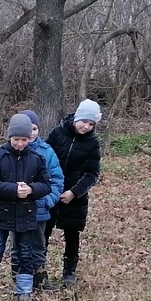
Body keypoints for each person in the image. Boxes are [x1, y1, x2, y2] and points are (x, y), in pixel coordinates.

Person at [0, 114, 53, 301]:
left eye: (24, 140)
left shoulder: (37, 158)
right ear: (9, 137)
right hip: (1, 214)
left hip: (26, 215)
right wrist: (13, 190)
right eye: (16, 139)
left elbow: (46, 184)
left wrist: (31, 189)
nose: (20, 143)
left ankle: (23, 291)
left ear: (30, 138)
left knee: (25, 253)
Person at [43, 99, 103, 288]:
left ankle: (69, 271)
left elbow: (92, 174)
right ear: (76, 118)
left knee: (72, 234)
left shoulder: (92, 144)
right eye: (84, 121)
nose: (86, 126)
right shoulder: (57, 133)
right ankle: (39, 268)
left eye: (91, 124)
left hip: (74, 197)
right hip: (50, 192)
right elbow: (42, 158)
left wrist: (74, 192)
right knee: (43, 231)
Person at [9, 109, 64, 291]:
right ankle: (18, 279)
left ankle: (40, 278)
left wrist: (48, 200)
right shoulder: (7, 153)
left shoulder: (46, 152)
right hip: (15, 210)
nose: (30, 134)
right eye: (27, 130)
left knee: (38, 245)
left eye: (34, 129)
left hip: (39, 209)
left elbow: (56, 179)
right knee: (16, 246)